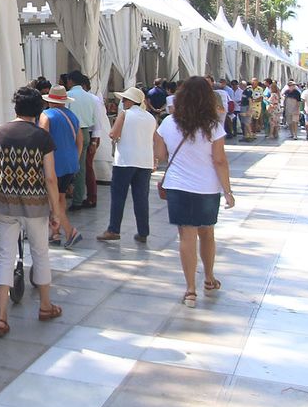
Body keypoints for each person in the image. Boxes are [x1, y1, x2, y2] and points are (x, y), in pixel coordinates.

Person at [0, 85, 66, 336]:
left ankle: (1, 316)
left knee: (6, 257)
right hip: (35, 205)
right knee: (40, 253)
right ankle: (45, 305)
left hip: (4, 203)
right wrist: (56, 212)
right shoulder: (42, 137)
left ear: (16, 107)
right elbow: (51, 178)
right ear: (38, 109)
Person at [155, 76, 235, 308]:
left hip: (178, 185)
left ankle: (190, 289)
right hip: (207, 187)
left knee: (186, 236)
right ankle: (208, 278)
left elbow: (160, 154)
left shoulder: (168, 123)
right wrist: (228, 191)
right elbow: (220, 161)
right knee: (207, 233)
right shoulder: (213, 126)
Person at [98, 86, 154, 243]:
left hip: (125, 161)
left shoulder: (125, 114)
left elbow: (113, 134)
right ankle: (143, 231)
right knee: (141, 197)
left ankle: (113, 229)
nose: (122, 102)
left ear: (130, 102)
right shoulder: (150, 117)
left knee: (118, 196)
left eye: (124, 99)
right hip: (145, 161)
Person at [39, 85, 83, 246]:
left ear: (50, 100)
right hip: (70, 164)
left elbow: (41, 139)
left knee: (53, 200)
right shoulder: (73, 116)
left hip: (54, 164)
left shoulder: (46, 115)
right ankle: (55, 233)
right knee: (60, 197)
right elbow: (80, 141)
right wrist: (74, 159)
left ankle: (70, 231)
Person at [64, 73, 101, 210]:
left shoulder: (68, 96)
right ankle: (78, 199)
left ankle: (64, 194)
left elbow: (64, 115)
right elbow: (96, 121)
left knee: (64, 165)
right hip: (85, 132)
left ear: (70, 81)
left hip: (70, 131)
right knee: (81, 168)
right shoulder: (92, 98)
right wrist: (94, 141)